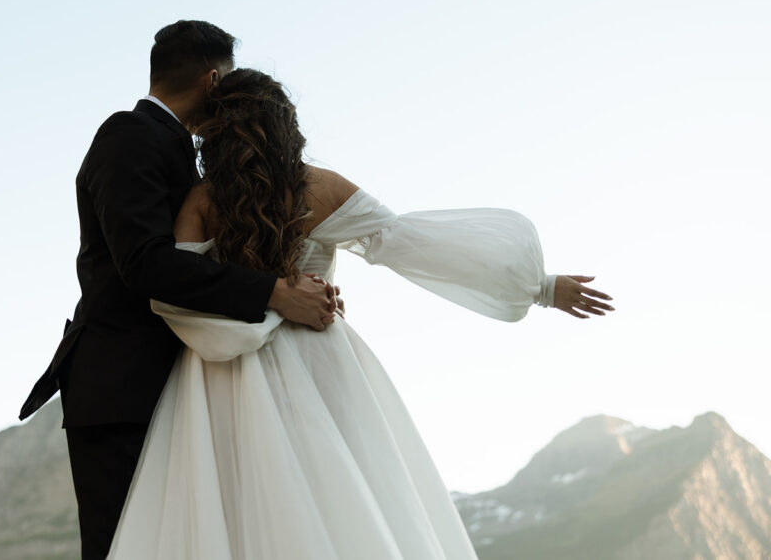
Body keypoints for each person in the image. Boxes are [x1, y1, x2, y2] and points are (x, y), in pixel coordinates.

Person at [106, 68, 614, 560]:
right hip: (320, 360)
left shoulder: (199, 200)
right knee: (342, 502)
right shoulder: (320, 187)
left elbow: (175, 292)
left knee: (236, 515)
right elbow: (414, 245)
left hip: (220, 379)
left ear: (214, 132)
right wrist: (541, 287)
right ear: (286, 123)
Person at [18, 22, 338, 560]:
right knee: (124, 547)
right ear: (213, 82)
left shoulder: (181, 153)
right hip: (122, 386)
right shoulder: (128, 135)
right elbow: (145, 263)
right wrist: (273, 293)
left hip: (173, 383)